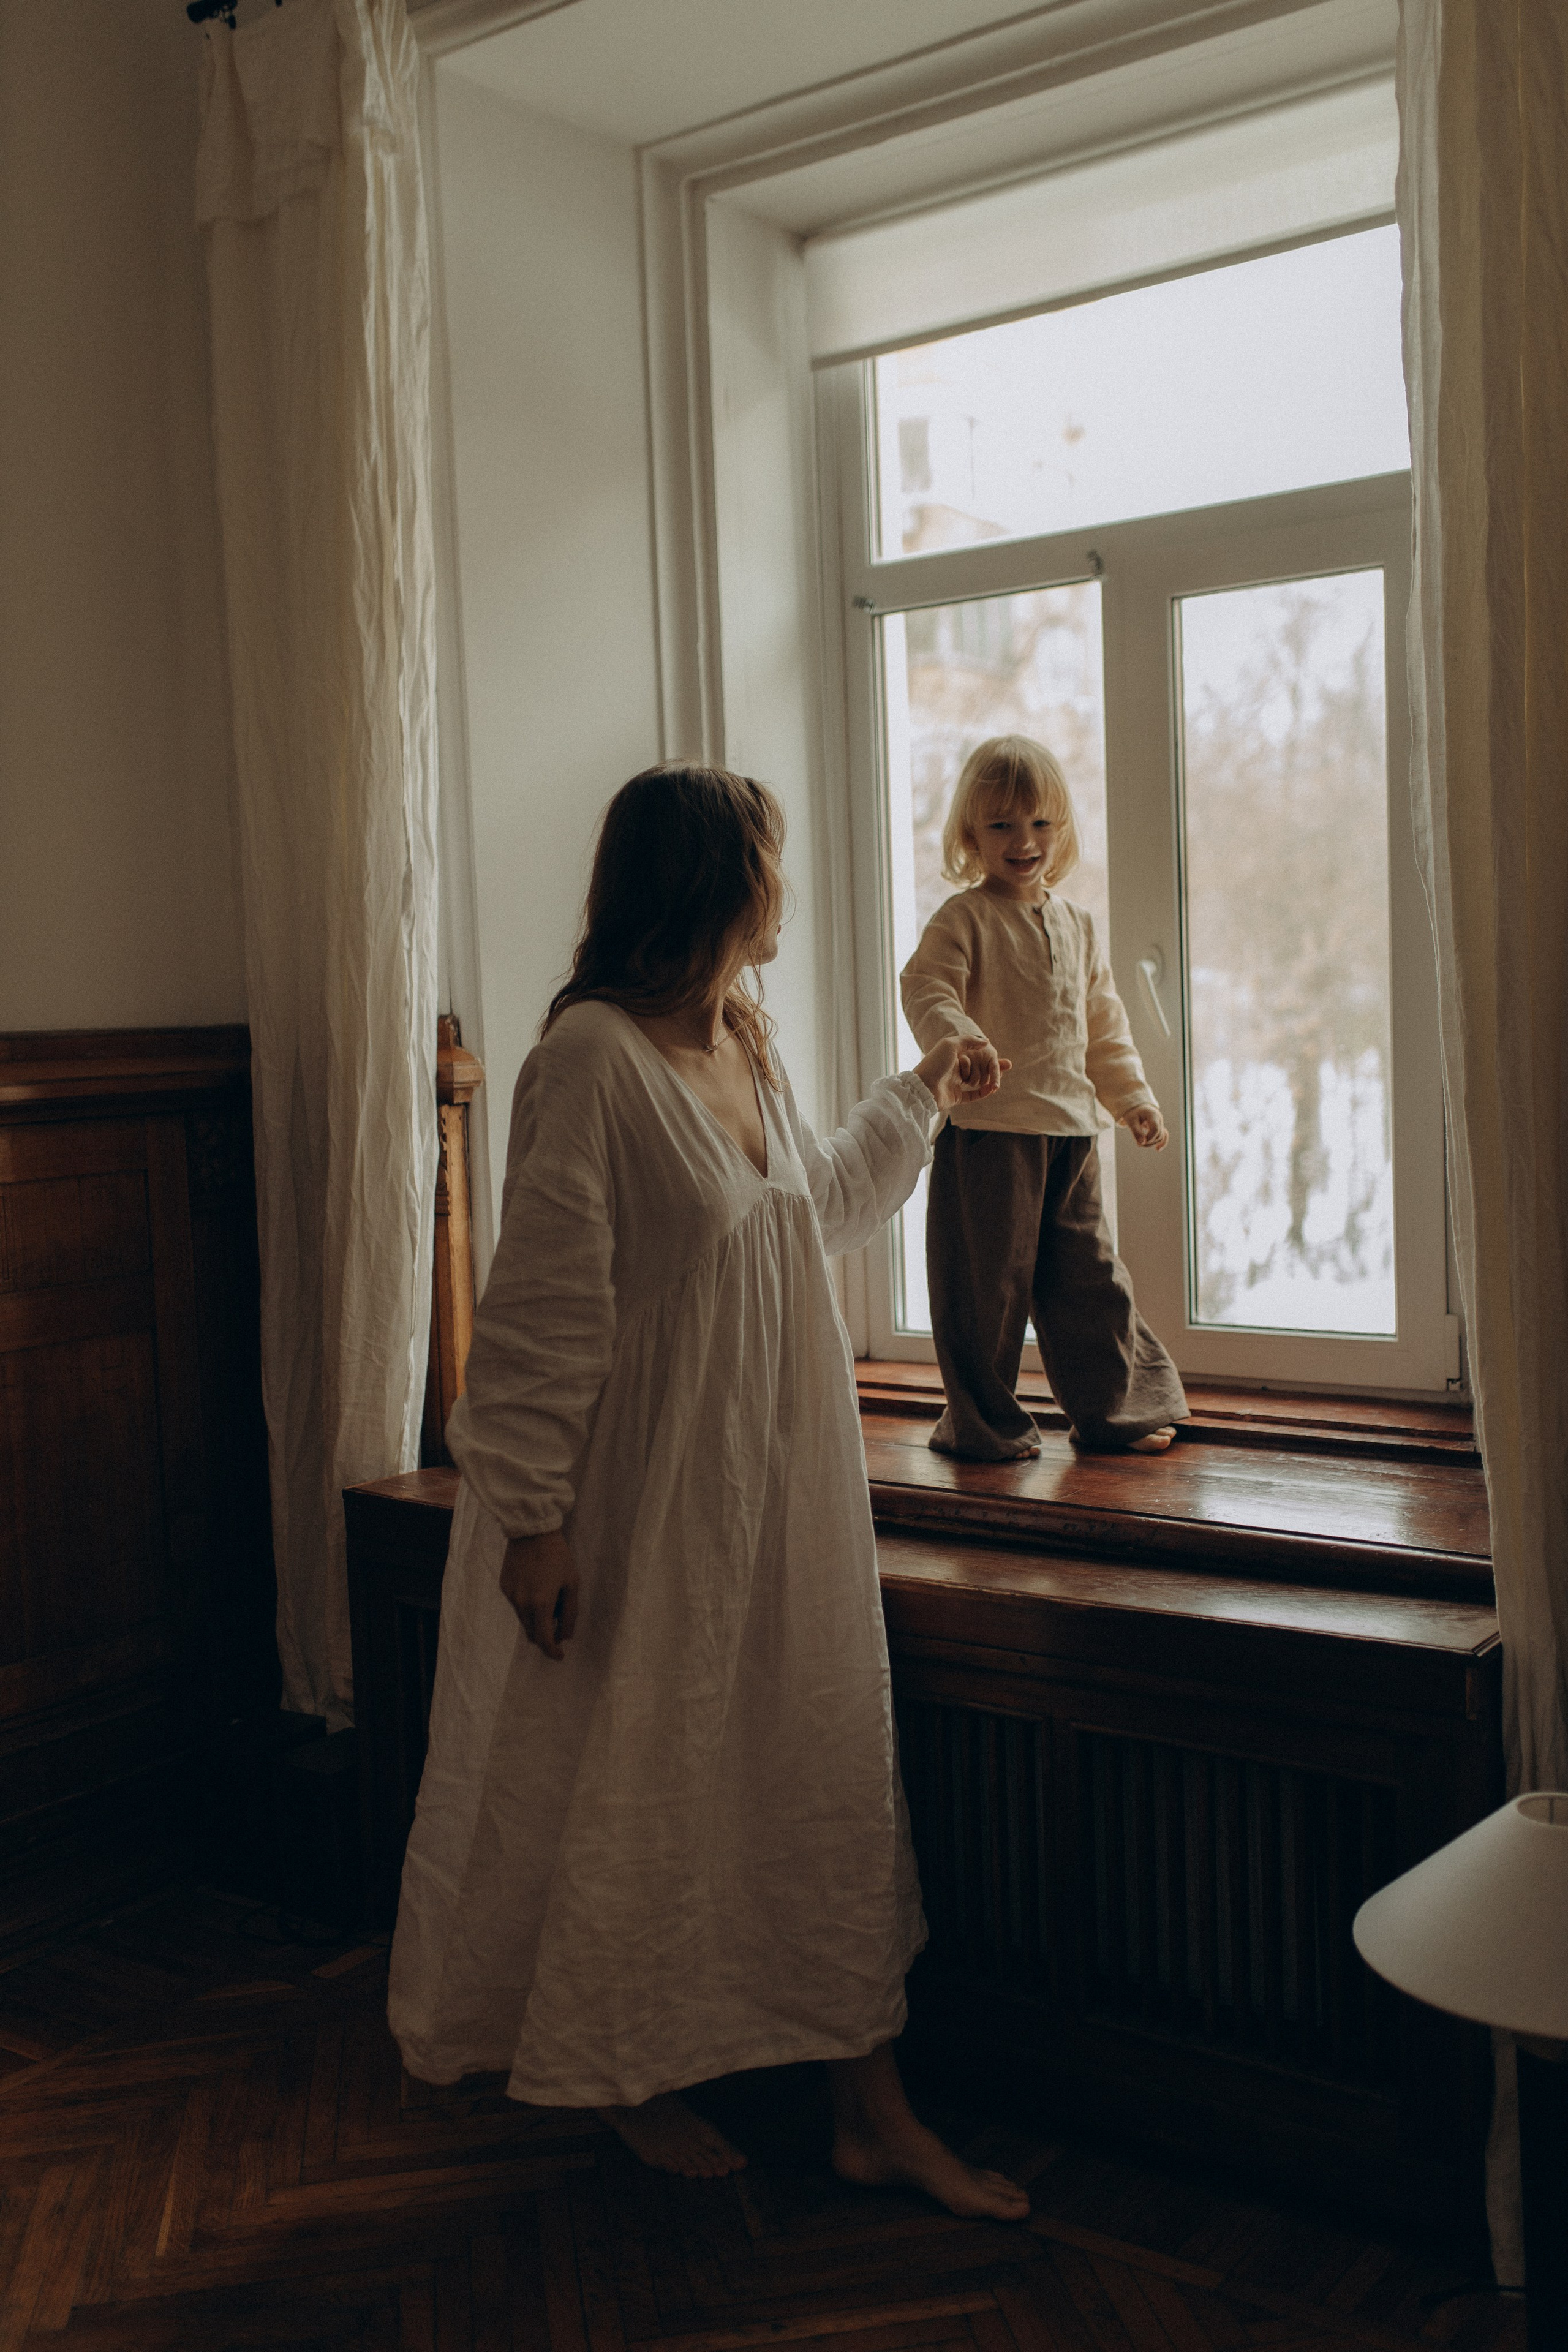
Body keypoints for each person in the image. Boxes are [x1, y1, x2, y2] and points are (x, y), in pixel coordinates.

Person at [388, 762, 1030, 2220]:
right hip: (640, 1503)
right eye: (768, 857)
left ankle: (871, 2108)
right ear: (713, 882)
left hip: (781, 1497)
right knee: (638, 1782)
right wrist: (536, 1518)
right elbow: (542, 1309)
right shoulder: (589, 1062)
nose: (783, 883)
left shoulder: (745, 1035)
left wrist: (921, 1090)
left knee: (815, 1777)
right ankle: (627, 2068)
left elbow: (807, 1217)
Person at [900, 734, 1188, 1463]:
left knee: (1090, 1278)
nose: (1022, 841)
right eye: (1000, 826)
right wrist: (961, 1041)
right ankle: (982, 1426)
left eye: (1039, 824)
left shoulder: (1077, 924)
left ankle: (1115, 1413)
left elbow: (1103, 1025)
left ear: (1060, 830)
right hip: (989, 1132)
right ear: (972, 836)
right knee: (984, 1292)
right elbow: (926, 986)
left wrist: (1132, 1100)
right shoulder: (963, 918)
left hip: (1070, 1133)